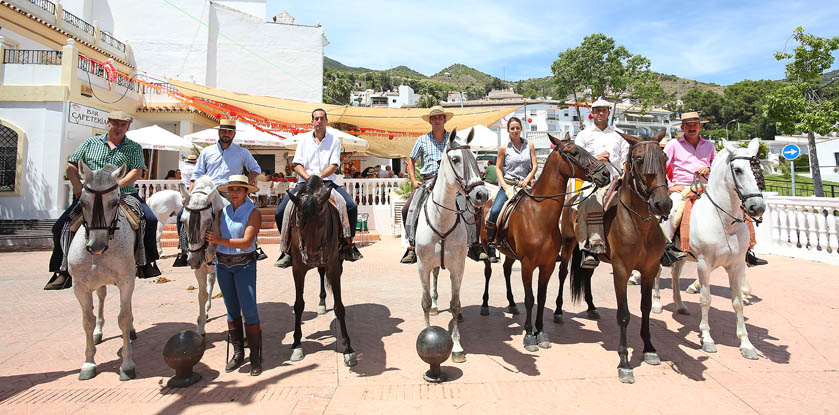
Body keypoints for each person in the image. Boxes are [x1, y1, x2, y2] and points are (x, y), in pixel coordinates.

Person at [44, 111, 161, 290]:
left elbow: (137, 171)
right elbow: (72, 165)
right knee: (61, 226)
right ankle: (62, 271)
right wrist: (76, 185)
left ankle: (145, 263)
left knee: (149, 220)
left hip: (124, 194)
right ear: (108, 124)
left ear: (127, 127)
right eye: (115, 123)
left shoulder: (134, 147)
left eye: (123, 124)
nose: (118, 127)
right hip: (91, 195)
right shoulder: (90, 143)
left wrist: (116, 186)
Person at [661, 111, 766, 267]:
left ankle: (747, 250)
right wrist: (671, 186)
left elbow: (718, 165)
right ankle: (667, 249)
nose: (692, 128)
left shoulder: (709, 145)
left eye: (694, 125)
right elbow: (661, 166)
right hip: (682, 187)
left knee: (740, 210)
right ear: (682, 127)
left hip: (708, 186)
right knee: (674, 210)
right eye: (688, 125)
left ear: (699, 127)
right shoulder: (673, 145)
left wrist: (708, 169)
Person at [273, 108, 363, 268]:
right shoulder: (304, 140)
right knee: (281, 211)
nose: (319, 122)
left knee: (349, 206)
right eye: (316, 119)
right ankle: (286, 249)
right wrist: (309, 179)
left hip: (326, 183)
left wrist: (318, 177)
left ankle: (349, 245)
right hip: (304, 183)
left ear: (326, 121)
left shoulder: (334, 140)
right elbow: (297, 164)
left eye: (322, 118)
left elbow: (334, 165)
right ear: (312, 122)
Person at [399, 105, 486, 264]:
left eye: (440, 117)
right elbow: (410, 159)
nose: (437, 120)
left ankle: (475, 245)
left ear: (444, 120)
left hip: (451, 182)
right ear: (430, 121)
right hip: (428, 181)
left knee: (471, 209)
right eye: (434, 117)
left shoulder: (454, 139)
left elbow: (463, 158)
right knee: (407, 209)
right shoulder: (422, 140)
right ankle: (411, 247)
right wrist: (413, 180)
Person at [173, 119, 263, 267]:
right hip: (208, 191)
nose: (226, 134)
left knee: (250, 210)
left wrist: (243, 184)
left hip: (231, 191)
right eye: (223, 131)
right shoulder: (207, 151)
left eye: (229, 131)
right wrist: (188, 195)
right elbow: (197, 174)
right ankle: (184, 249)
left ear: (234, 133)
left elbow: (256, 169)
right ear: (219, 132)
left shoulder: (242, 152)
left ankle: (254, 247)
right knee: (182, 214)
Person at [205, 175, 263, 376]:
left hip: (244, 265)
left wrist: (219, 240)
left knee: (249, 309)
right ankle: (238, 353)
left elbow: (247, 241)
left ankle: (255, 356)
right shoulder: (222, 212)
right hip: (223, 265)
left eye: (239, 189)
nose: (234, 193)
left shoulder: (253, 213)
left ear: (247, 192)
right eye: (231, 189)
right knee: (231, 310)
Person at [574, 98, 629, 269]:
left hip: (616, 180)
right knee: (587, 203)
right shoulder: (583, 135)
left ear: (608, 112)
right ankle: (589, 249)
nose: (600, 113)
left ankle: (661, 245)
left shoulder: (618, 134)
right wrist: (595, 160)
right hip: (592, 181)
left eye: (603, 110)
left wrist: (624, 174)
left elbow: (626, 159)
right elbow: (576, 160)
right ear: (592, 114)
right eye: (596, 110)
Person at [485, 117, 537, 262]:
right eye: (512, 128)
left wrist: (527, 180)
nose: (515, 131)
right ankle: (491, 244)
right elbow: (498, 168)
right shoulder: (503, 148)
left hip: (526, 185)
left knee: (544, 207)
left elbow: (535, 165)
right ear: (508, 130)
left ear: (521, 129)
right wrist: (505, 185)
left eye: (517, 128)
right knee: (495, 210)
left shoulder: (529, 145)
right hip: (508, 185)